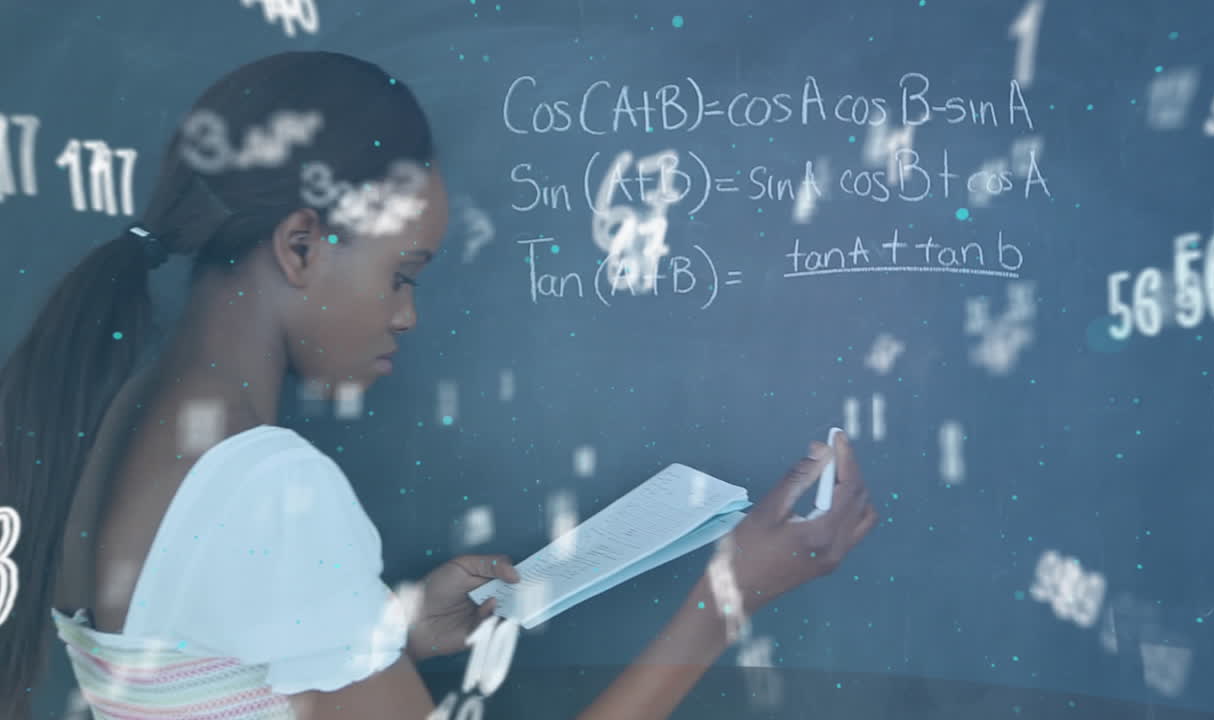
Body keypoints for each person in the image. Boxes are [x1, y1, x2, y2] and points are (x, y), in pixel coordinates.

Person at [0, 51, 879, 720]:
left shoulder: (118, 418)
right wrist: (724, 604)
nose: (408, 315)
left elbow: (200, 667)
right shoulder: (271, 486)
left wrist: (389, 632)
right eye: (402, 274)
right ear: (300, 245)